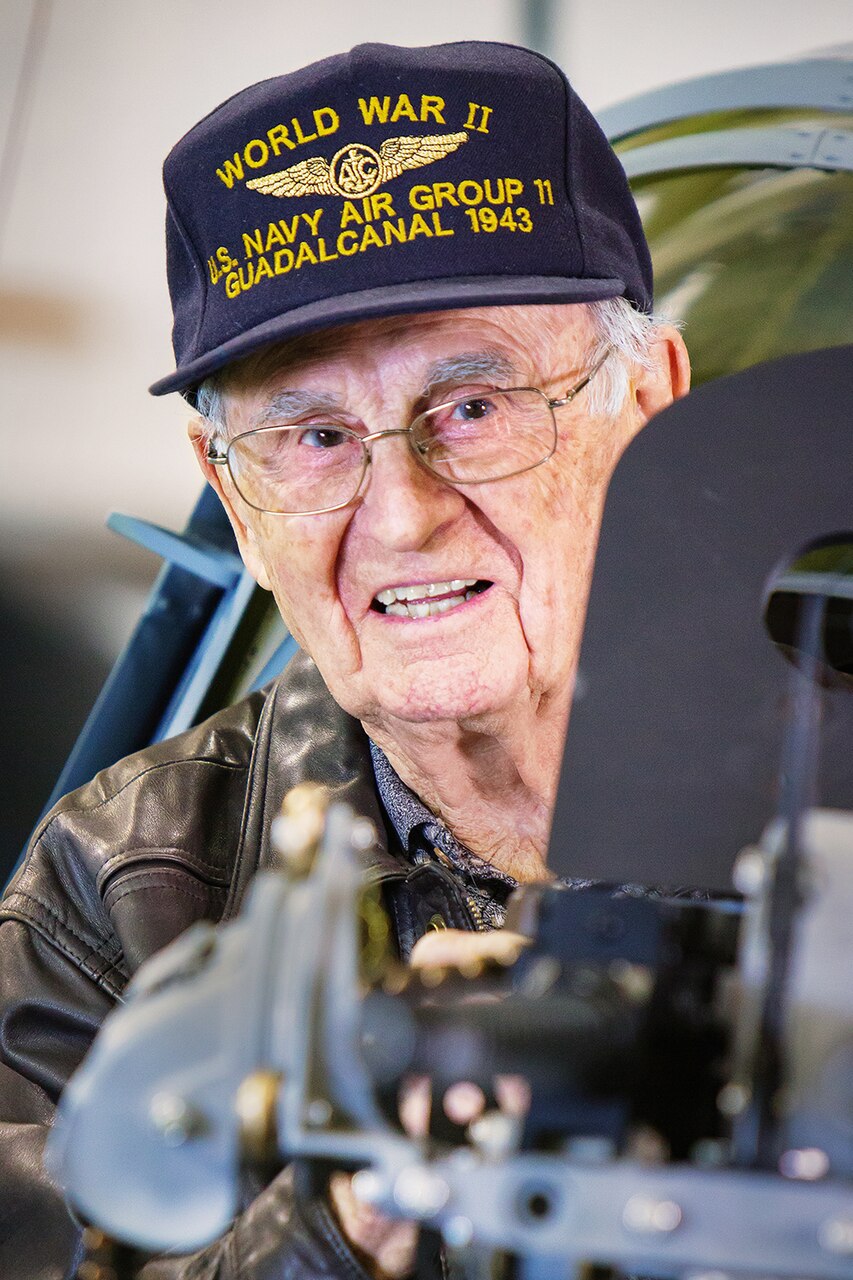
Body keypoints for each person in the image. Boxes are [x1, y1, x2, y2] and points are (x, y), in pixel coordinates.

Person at [0, 40, 689, 1280]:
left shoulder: (823, 789)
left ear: (649, 408)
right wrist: (347, 1222)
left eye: (472, 406)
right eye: (315, 436)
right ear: (233, 497)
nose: (401, 514)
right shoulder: (119, 901)